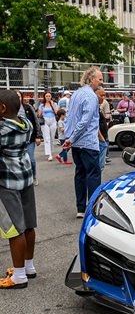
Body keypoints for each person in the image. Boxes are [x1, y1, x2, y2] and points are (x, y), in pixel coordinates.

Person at [0, 89, 37, 289]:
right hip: (26, 178)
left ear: (3, 108)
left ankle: (19, 276)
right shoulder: (26, 124)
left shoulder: (2, 130)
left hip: (7, 183)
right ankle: (28, 267)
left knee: (14, 229)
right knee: (29, 225)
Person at [62, 66, 102, 218]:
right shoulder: (90, 96)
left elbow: (70, 117)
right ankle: (92, 208)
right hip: (88, 142)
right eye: (100, 79)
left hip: (76, 142)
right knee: (93, 173)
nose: (101, 83)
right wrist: (71, 138)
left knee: (80, 173)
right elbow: (85, 121)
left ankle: (80, 208)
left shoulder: (76, 94)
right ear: (91, 79)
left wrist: (69, 137)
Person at [16, 91, 42, 186]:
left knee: (31, 159)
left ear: (22, 97)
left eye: (18, 96)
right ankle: (23, 178)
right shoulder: (10, 109)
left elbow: (36, 122)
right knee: (19, 160)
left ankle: (33, 176)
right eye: (15, 96)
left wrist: (38, 136)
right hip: (17, 139)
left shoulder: (28, 107)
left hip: (30, 138)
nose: (17, 98)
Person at [38, 91, 59, 161]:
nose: (48, 98)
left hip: (52, 120)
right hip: (45, 120)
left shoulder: (54, 104)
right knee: (46, 137)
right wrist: (40, 113)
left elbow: (57, 112)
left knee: (52, 138)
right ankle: (49, 153)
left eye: (49, 96)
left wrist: (52, 105)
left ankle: (51, 152)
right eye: (46, 96)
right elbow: (39, 115)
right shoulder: (42, 105)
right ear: (44, 97)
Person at [96, 87, 109, 170]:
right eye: (101, 95)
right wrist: (102, 139)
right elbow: (94, 125)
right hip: (100, 138)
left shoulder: (97, 107)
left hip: (102, 136)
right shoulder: (94, 107)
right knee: (99, 167)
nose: (103, 97)